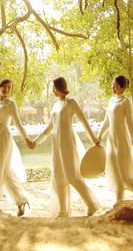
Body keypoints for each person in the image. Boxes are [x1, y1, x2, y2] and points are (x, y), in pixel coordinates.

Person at [29, 77, 101, 217]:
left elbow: (84, 121)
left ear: (61, 87)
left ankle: (92, 205)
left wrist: (93, 139)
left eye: (55, 88)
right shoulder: (56, 106)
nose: (53, 91)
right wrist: (35, 142)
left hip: (68, 142)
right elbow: (49, 129)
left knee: (73, 176)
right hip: (57, 144)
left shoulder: (72, 102)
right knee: (58, 177)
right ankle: (63, 211)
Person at [0, 79, 35, 216]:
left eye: (9, 87)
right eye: (4, 86)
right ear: (0, 87)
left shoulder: (11, 103)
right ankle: (21, 200)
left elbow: (18, 124)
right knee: (5, 172)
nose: (6, 89)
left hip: (3, 139)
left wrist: (27, 139)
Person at [97, 75, 133, 205]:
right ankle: (119, 196)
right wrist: (99, 136)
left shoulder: (126, 101)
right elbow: (107, 120)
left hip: (122, 139)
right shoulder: (111, 101)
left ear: (123, 87)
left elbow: (130, 123)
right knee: (113, 167)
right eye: (112, 85)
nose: (113, 88)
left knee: (123, 171)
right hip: (111, 140)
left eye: (116, 86)